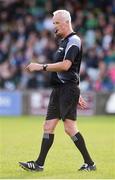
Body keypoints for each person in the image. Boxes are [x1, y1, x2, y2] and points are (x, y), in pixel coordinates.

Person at [19, 10, 96, 172]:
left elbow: (67, 65)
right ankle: (39, 164)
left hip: (67, 90)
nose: (54, 27)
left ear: (66, 22)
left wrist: (41, 66)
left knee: (69, 128)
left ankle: (90, 163)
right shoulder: (64, 42)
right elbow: (73, 70)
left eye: (56, 23)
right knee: (48, 126)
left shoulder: (74, 40)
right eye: (53, 23)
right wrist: (77, 91)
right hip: (61, 89)